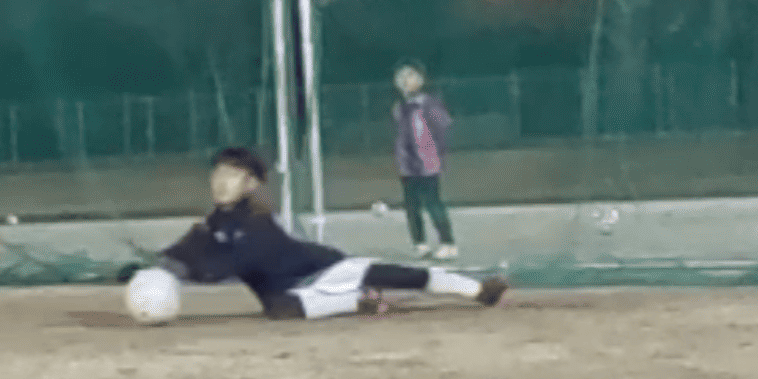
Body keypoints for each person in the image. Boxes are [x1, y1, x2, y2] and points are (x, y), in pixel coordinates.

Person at [120, 147, 506, 319]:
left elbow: (233, 261)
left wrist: (195, 271)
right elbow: (185, 253)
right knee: (280, 308)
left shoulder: (256, 222)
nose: (221, 181)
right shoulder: (213, 225)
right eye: (218, 174)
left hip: (324, 271)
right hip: (293, 296)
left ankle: (476, 290)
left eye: (233, 175)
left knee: (400, 275)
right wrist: (149, 270)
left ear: (251, 184)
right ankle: (359, 302)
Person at [391, 60, 457, 259]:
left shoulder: (429, 104)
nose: (407, 82)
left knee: (433, 203)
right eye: (403, 79)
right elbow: (400, 135)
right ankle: (419, 243)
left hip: (428, 162)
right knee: (412, 206)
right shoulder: (400, 108)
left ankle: (448, 242)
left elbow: (443, 127)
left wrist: (438, 154)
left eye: (411, 78)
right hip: (407, 164)